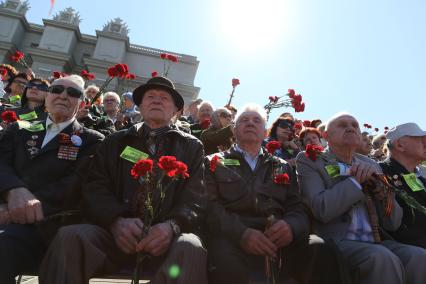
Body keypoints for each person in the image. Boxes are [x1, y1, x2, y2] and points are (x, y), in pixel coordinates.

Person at [39, 76, 208, 284]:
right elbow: (94, 186)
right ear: (140, 106)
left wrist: (172, 226)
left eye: (164, 98)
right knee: (70, 237)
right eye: (150, 96)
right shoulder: (114, 141)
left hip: (167, 240)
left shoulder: (192, 147)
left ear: (175, 110)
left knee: (190, 247)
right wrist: (116, 221)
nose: (156, 100)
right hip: (113, 237)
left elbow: (196, 197)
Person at [205, 104, 344, 284]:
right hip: (233, 240)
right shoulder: (213, 162)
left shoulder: (283, 165)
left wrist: (291, 227)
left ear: (264, 132)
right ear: (234, 130)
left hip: (279, 240)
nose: (250, 123)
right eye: (244, 120)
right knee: (224, 259)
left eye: (257, 120)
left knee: (320, 247)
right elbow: (209, 206)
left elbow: (297, 207)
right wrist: (242, 234)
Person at [296, 113, 426, 284]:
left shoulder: (370, 164)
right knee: (381, 258)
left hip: (378, 240)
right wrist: (356, 183)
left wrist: (384, 194)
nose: (350, 128)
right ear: (326, 136)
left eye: (355, 126)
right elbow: (321, 209)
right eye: (342, 125)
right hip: (337, 240)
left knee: (420, 257)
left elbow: (392, 223)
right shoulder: (311, 160)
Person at [0, 74, 104, 284]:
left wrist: (21, 208)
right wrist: (12, 191)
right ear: (47, 97)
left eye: (73, 93)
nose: (63, 96)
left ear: (82, 103)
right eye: (57, 90)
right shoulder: (20, 127)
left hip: (47, 223)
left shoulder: (92, 140)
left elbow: (75, 183)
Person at [379, 123, 426, 248]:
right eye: (422, 140)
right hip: (409, 246)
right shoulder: (380, 172)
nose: (425, 144)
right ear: (400, 145)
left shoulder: (419, 176)